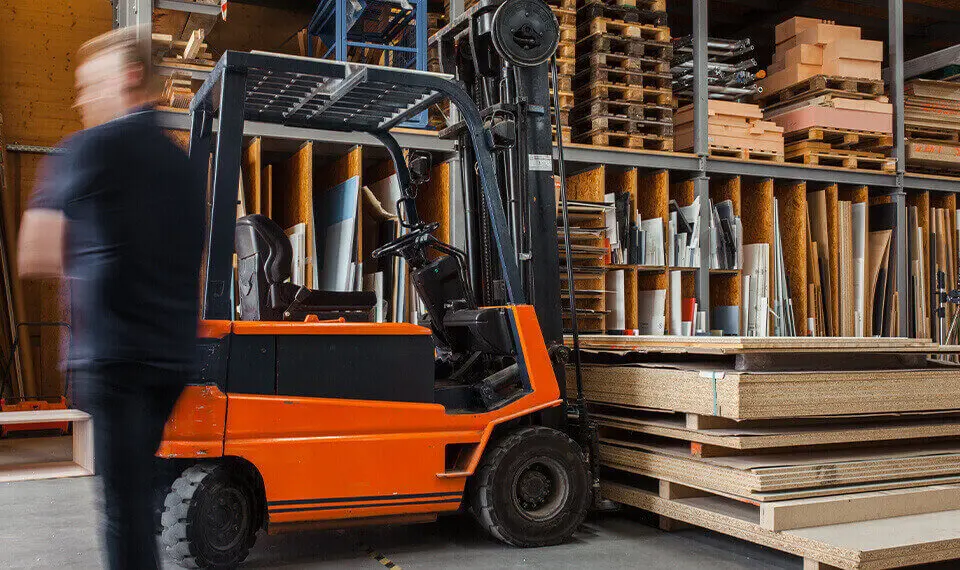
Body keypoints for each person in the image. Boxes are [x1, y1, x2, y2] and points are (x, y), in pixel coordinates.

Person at [17, 26, 204, 570]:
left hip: (115, 357)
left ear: (126, 77)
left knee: (123, 512)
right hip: (170, 358)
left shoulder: (89, 148)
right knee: (140, 496)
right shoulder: (184, 167)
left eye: (87, 85)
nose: (80, 100)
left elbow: (35, 251)